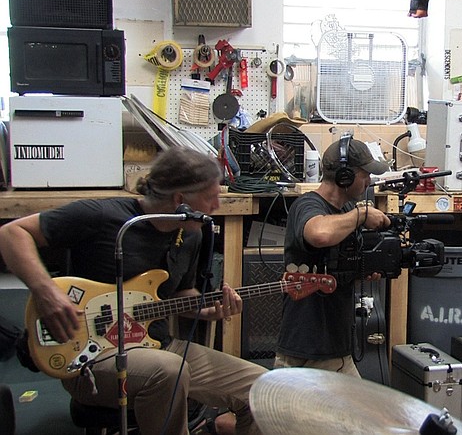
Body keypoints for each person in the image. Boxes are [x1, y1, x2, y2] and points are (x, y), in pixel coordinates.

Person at [0, 147, 266, 435]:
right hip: (90, 356)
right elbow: (12, 234)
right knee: (168, 371)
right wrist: (46, 293)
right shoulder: (103, 216)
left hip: (158, 346)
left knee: (261, 387)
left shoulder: (191, 235)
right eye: (210, 196)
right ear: (180, 200)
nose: (217, 203)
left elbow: (178, 297)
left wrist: (208, 309)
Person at [276, 135, 391, 377]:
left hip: (338, 349)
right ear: (344, 176)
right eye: (365, 174)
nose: (369, 181)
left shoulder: (346, 210)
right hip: (306, 352)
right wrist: (362, 214)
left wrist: (363, 269)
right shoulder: (307, 206)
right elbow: (319, 234)